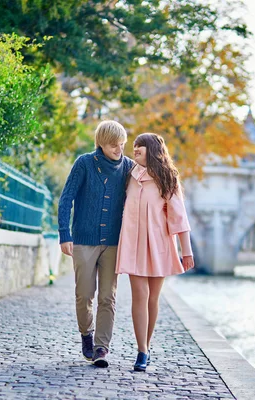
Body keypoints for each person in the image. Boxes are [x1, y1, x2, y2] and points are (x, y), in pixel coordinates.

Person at [58, 120, 134, 368]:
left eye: (122, 145)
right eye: (114, 145)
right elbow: (66, 198)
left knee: (108, 297)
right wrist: (64, 234)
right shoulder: (84, 163)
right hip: (84, 240)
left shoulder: (129, 168)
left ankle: (101, 347)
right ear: (101, 143)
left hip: (113, 243)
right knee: (84, 294)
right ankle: (86, 334)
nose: (119, 150)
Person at [116, 133, 195, 372]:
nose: (135, 149)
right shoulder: (128, 175)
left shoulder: (167, 178)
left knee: (152, 297)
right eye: (134, 146)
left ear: (152, 150)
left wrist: (187, 252)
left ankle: (147, 346)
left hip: (159, 244)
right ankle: (141, 350)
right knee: (139, 295)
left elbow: (179, 217)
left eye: (140, 146)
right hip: (133, 244)